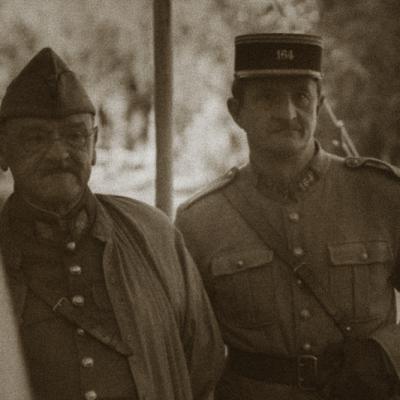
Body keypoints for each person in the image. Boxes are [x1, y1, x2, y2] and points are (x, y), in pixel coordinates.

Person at [175, 33, 400, 400]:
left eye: (301, 97)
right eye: (267, 99)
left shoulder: (381, 195)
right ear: (237, 112)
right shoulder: (199, 222)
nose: (287, 114)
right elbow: (186, 353)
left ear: (320, 103)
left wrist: (385, 355)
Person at [0, 47, 224, 400]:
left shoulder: (155, 236)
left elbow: (203, 369)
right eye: (35, 138)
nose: (59, 154)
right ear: (3, 150)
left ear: (94, 145)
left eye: (75, 136)